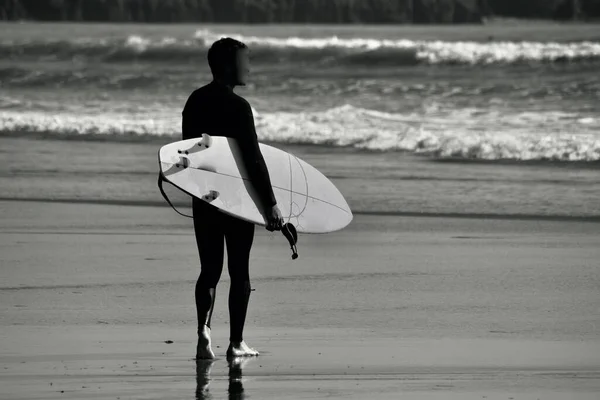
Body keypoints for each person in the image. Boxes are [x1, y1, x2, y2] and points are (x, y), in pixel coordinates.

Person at [182, 37, 284, 359]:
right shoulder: (239, 108)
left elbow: (190, 153)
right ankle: (236, 342)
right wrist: (270, 204)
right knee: (239, 271)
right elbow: (253, 160)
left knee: (209, 268)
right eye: (245, 60)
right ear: (229, 65)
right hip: (237, 200)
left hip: (206, 197)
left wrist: (198, 191)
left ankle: (204, 332)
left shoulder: (195, 101)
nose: (249, 67)